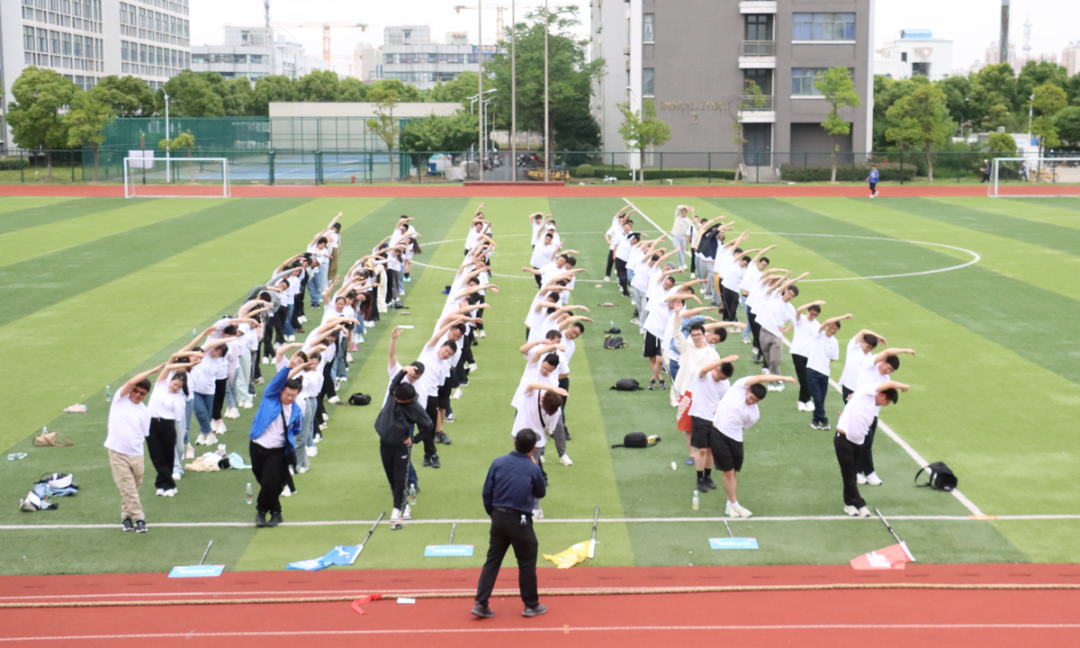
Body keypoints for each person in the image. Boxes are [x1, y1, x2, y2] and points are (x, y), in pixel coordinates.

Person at [472, 429, 548, 619]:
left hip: (498, 518)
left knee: (492, 561)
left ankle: (481, 603)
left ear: (515, 443)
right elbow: (540, 492)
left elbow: (487, 492)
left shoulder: (498, 462)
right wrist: (536, 468)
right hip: (520, 521)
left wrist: (492, 513)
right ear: (533, 448)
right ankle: (531, 605)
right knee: (526, 562)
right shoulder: (533, 468)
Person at [710, 373, 795, 518]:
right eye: (750, 398)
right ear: (748, 390)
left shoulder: (755, 414)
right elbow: (760, 378)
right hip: (718, 434)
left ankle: (729, 505)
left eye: (755, 401)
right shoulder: (739, 386)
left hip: (736, 439)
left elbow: (744, 426)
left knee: (733, 473)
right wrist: (783, 378)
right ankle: (735, 504)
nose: (751, 402)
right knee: (728, 472)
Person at [105, 364, 165, 533]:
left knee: (132, 488)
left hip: (137, 454)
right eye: (136, 391)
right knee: (129, 489)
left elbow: (144, 433)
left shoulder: (145, 411)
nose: (137, 395)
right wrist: (152, 371)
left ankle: (125, 516)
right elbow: (131, 382)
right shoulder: (120, 399)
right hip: (117, 453)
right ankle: (140, 518)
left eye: (142, 394)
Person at [835, 381, 909, 517]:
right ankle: (859, 503)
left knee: (852, 474)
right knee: (849, 475)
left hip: (858, 443)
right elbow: (890, 384)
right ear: (882, 395)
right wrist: (904, 386)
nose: (885, 405)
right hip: (844, 441)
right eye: (887, 402)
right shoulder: (865, 392)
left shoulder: (869, 406)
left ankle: (849, 504)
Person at [248, 355, 305, 528]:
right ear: (280, 391)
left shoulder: (296, 410)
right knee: (264, 481)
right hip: (257, 447)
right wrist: (288, 367)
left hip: (277, 450)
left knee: (269, 482)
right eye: (287, 394)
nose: (290, 398)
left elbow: (297, 428)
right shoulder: (270, 397)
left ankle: (260, 512)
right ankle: (276, 512)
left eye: (294, 396)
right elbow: (276, 381)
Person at [376, 368, 433, 530]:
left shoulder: (415, 407)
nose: (395, 400)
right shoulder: (394, 394)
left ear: (408, 399)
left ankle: (397, 510)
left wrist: (414, 439)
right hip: (385, 443)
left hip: (401, 446)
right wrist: (402, 371)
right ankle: (404, 505)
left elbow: (428, 425)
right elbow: (394, 382)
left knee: (400, 478)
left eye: (400, 400)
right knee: (391, 477)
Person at [854, 346, 917, 486]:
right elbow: (888, 352)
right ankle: (866, 472)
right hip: (860, 411)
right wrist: (905, 350)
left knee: (867, 443)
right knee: (863, 443)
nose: (888, 372)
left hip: (873, 413)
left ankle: (860, 471)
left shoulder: (886, 378)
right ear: (883, 361)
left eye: (891, 371)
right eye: (888, 368)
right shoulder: (870, 365)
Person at [806, 313, 853, 430]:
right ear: (827, 327)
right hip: (812, 370)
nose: (833, 331)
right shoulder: (818, 334)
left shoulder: (834, 342)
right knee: (817, 398)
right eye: (831, 328)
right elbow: (826, 321)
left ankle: (815, 421)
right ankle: (824, 420)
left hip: (824, 373)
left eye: (835, 329)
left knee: (821, 400)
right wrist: (843, 317)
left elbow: (832, 358)